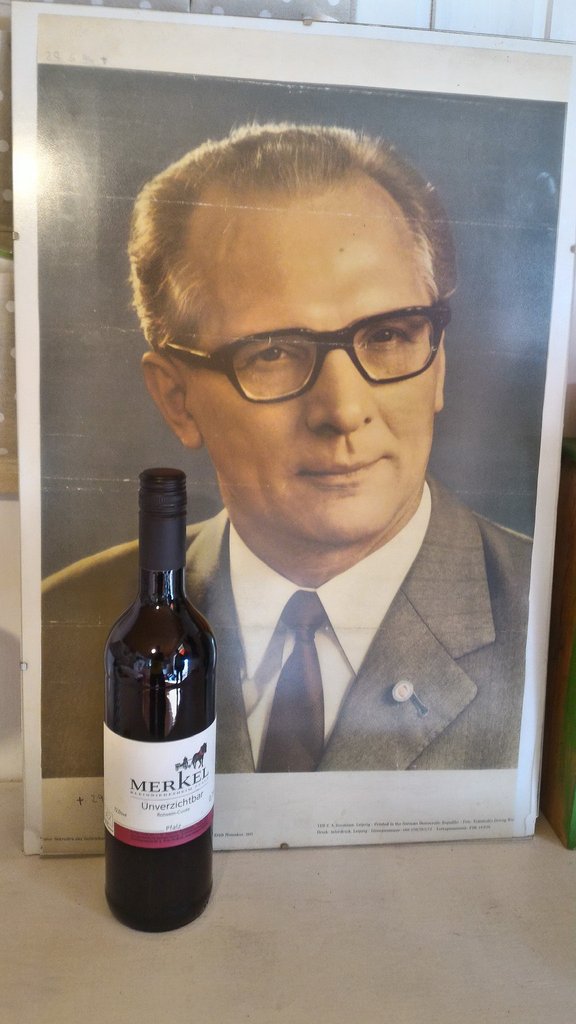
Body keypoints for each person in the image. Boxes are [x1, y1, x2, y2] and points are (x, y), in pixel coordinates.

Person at [42, 122, 531, 778]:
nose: (344, 411)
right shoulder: (60, 626)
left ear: (438, 364)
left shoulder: (551, 618)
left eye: (387, 335)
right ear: (176, 399)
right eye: (272, 352)